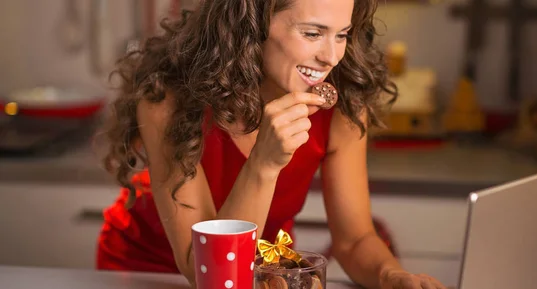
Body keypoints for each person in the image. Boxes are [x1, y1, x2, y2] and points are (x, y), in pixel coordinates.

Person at [97, 0, 447, 288]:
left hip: (259, 270)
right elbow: (205, 270)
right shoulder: (167, 101)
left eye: (342, 35)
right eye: (312, 33)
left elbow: (355, 239)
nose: (331, 57)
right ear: (251, 26)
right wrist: (263, 164)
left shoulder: (344, 105)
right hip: (146, 271)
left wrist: (392, 275)